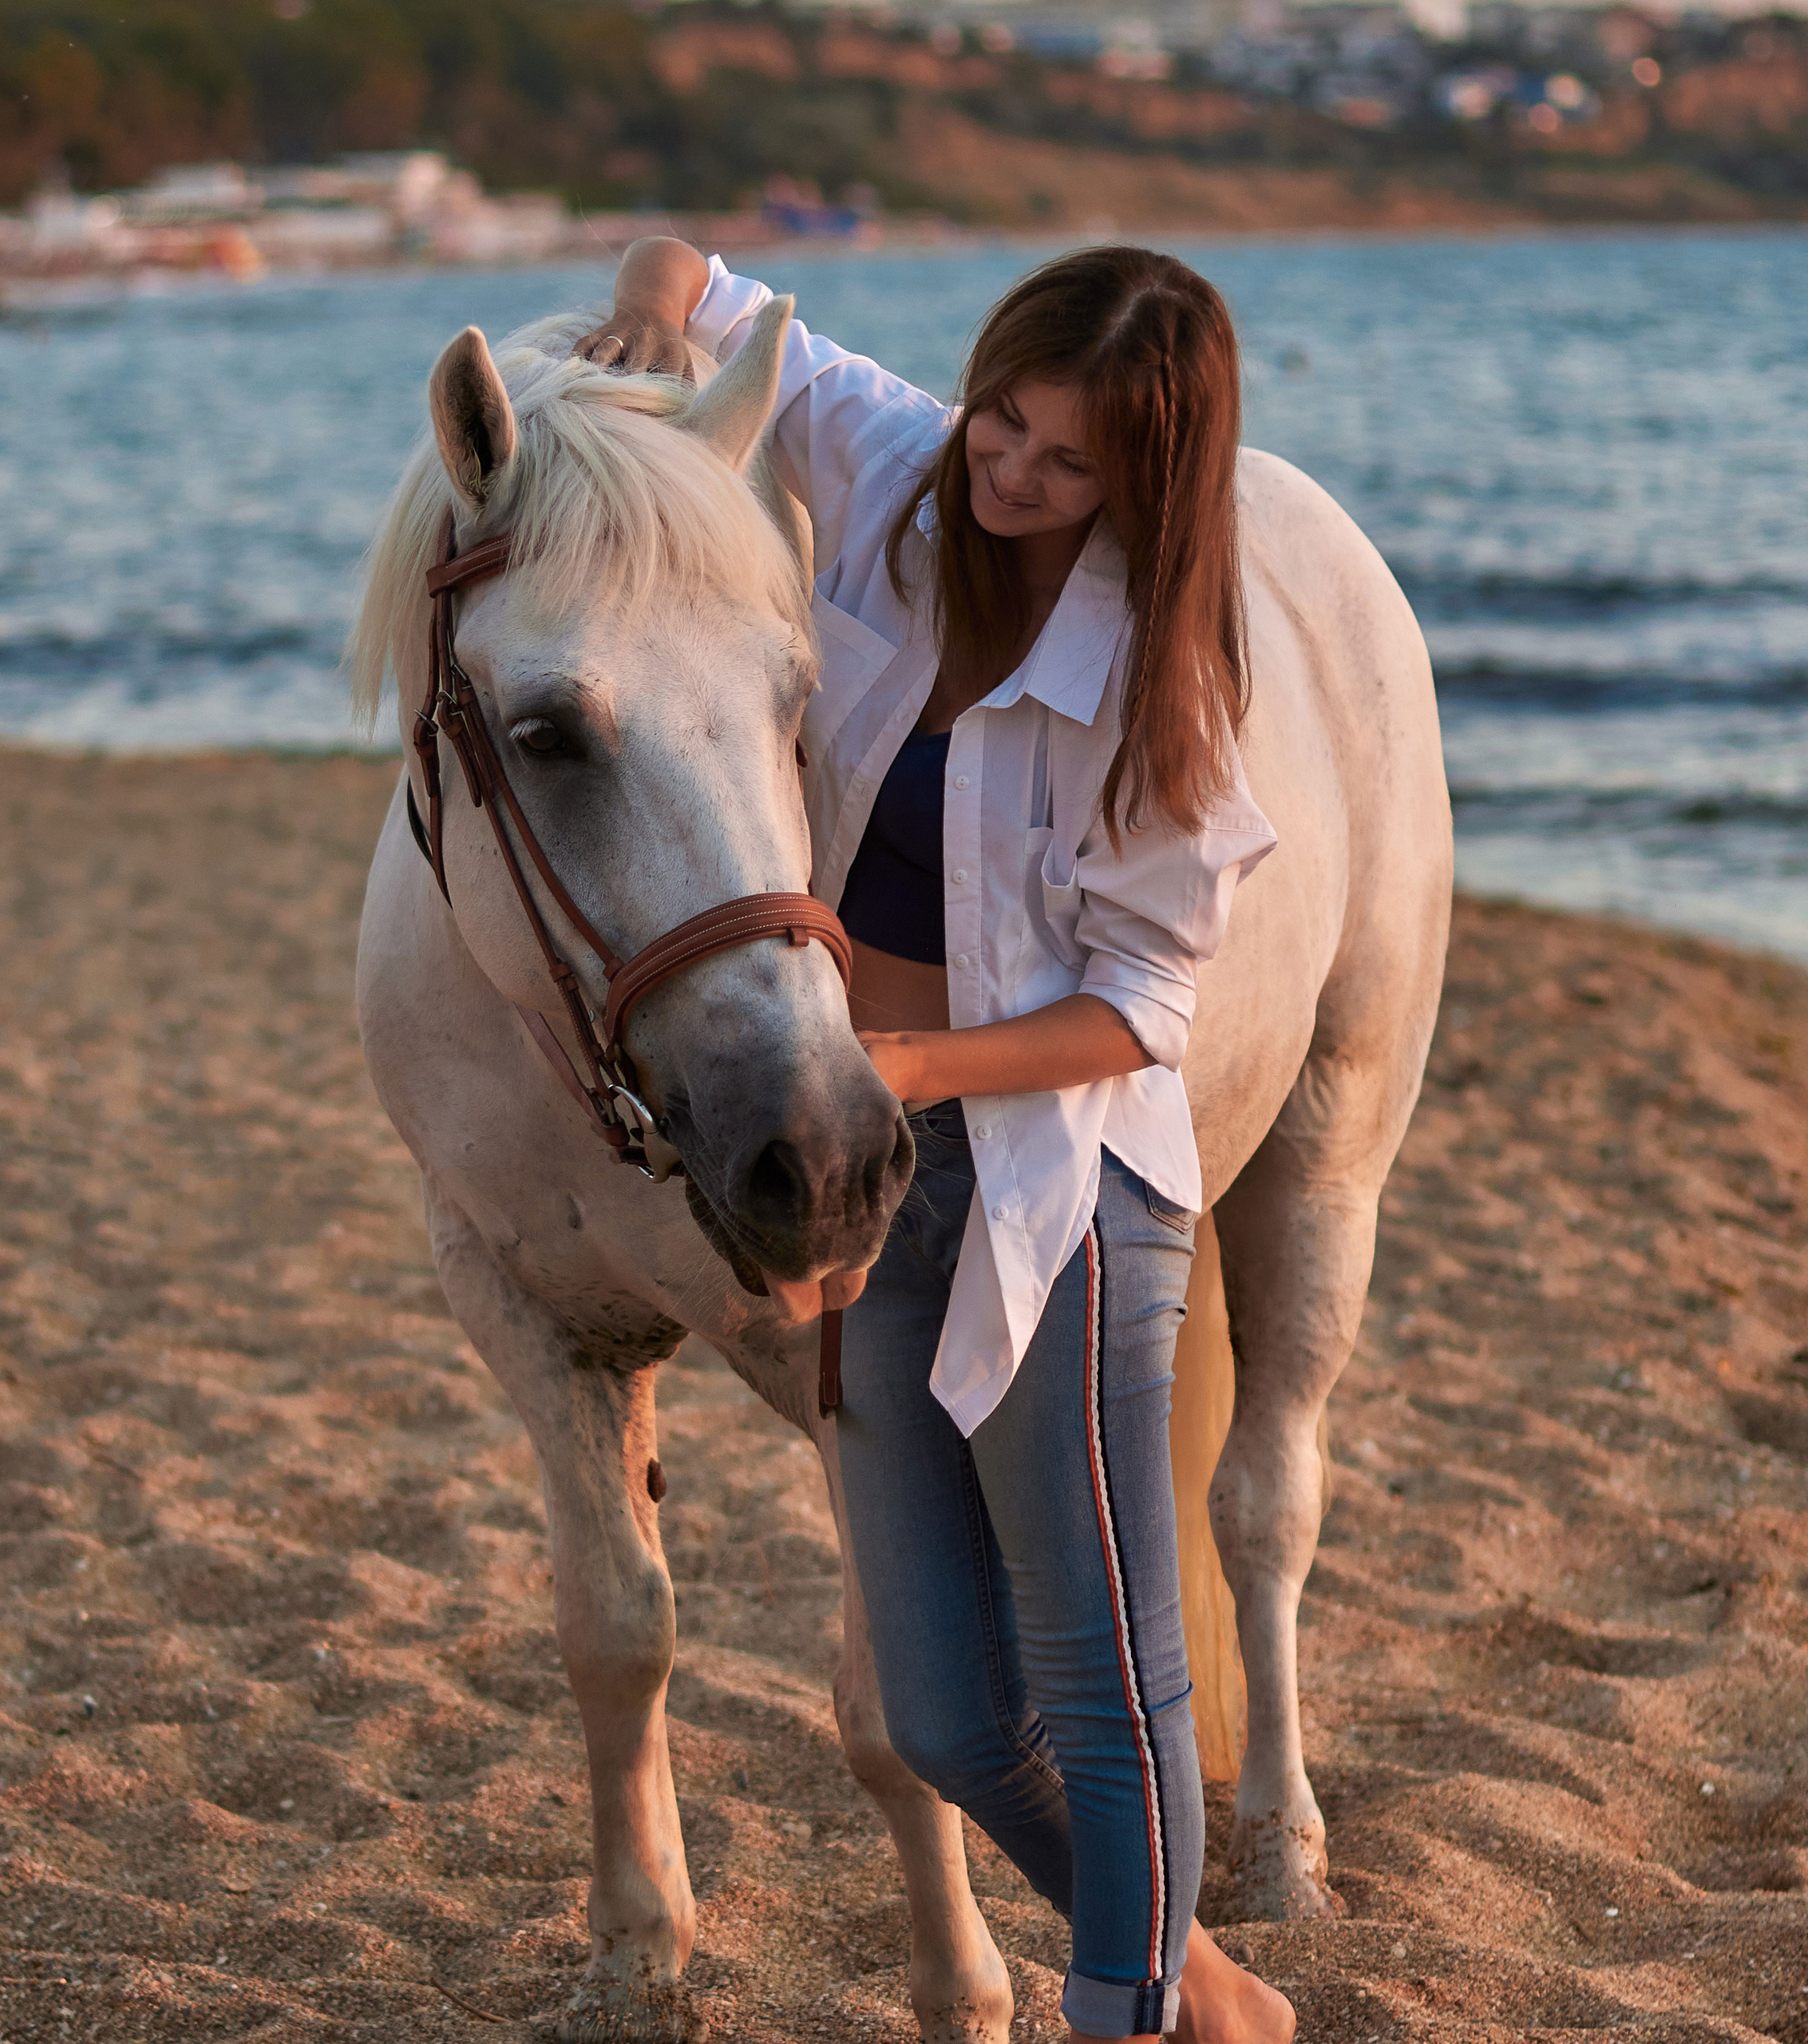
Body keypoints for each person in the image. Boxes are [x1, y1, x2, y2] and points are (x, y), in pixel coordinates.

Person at [580, 241, 1295, 2044]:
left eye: (1067, 462)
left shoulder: (1162, 684)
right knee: (947, 1714)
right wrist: (651, 318)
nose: (1011, 475)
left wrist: (911, 1062)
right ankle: (1204, 1991)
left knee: (1101, 1682)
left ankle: (1124, 2014)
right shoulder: (903, 463)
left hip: (1058, 1190)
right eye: (1004, 422)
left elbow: (1145, 1005)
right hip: (868, 1163)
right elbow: (692, 271)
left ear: (1141, 483)